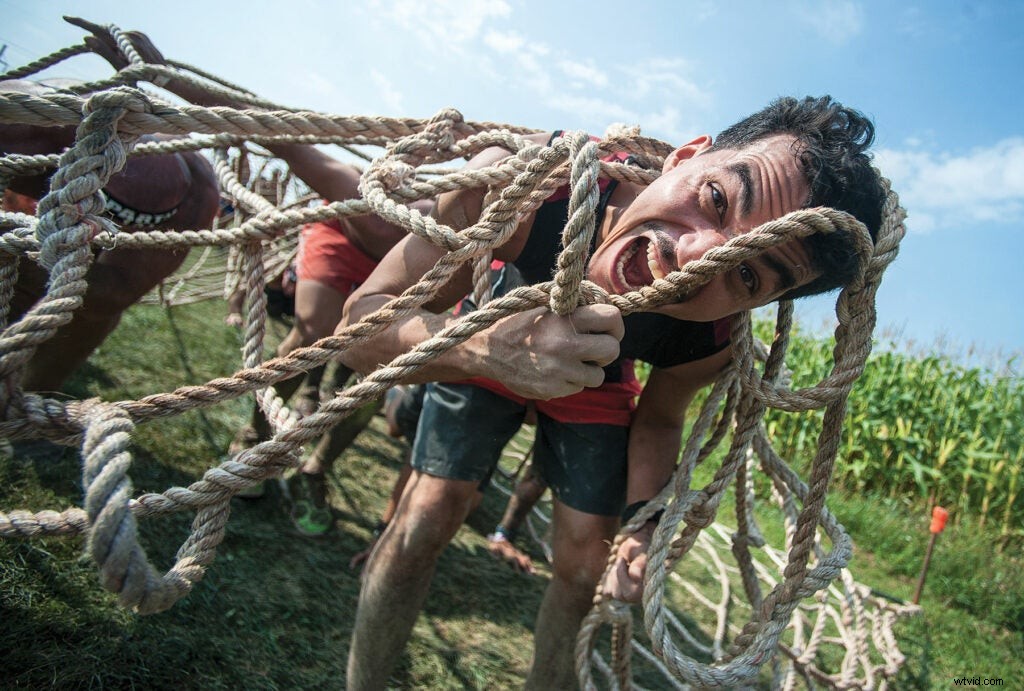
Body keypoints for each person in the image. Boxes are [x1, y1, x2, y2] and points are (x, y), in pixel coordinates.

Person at [338, 96, 886, 689]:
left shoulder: (713, 339)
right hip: (490, 326)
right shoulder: (528, 187)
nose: (698, 257)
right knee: (426, 515)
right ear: (685, 157)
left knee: (585, 568)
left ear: (757, 305)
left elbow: (658, 421)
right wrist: (483, 349)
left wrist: (642, 527)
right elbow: (356, 332)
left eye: (749, 274)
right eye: (717, 199)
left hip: (597, 374)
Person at [68, 18, 432, 533]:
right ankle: (255, 435)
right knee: (315, 331)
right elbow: (261, 123)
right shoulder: (342, 185)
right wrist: (162, 74)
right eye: (391, 204)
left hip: (403, 271)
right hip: (337, 242)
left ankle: (316, 467)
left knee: (375, 372)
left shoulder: (443, 230)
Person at [0, 79, 221, 393]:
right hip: (43, 158)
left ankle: (35, 393)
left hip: (77, 276)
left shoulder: (197, 193)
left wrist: (37, 259)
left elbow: (115, 292)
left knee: (98, 313)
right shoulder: (35, 119)